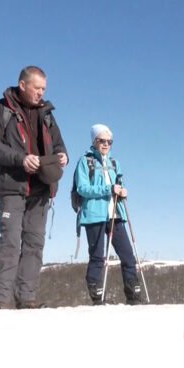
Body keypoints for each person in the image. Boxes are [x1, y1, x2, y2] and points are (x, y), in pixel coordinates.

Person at [0, 66, 68, 309]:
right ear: (22, 85)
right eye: (37, 88)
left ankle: (26, 299)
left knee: (34, 243)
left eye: (44, 89)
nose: (41, 93)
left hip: (41, 187)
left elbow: (60, 144)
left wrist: (63, 156)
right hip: (12, 185)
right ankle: (0, 300)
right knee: (10, 241)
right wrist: (21, 159)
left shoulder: (47, 113)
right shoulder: (0, 108)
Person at [74, 124, 142, 305]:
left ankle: (133, 296)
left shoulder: (114, 163)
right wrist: (108, 188)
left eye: (109, 141)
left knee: (127, 255)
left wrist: (122, 191)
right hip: (94, 215)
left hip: (115, 214)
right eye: (101, 140)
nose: (105, 144)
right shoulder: (85, 161)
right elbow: (82, 189)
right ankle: (97, 298)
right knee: (97, 257)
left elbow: (119, 182)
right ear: (94, 141)